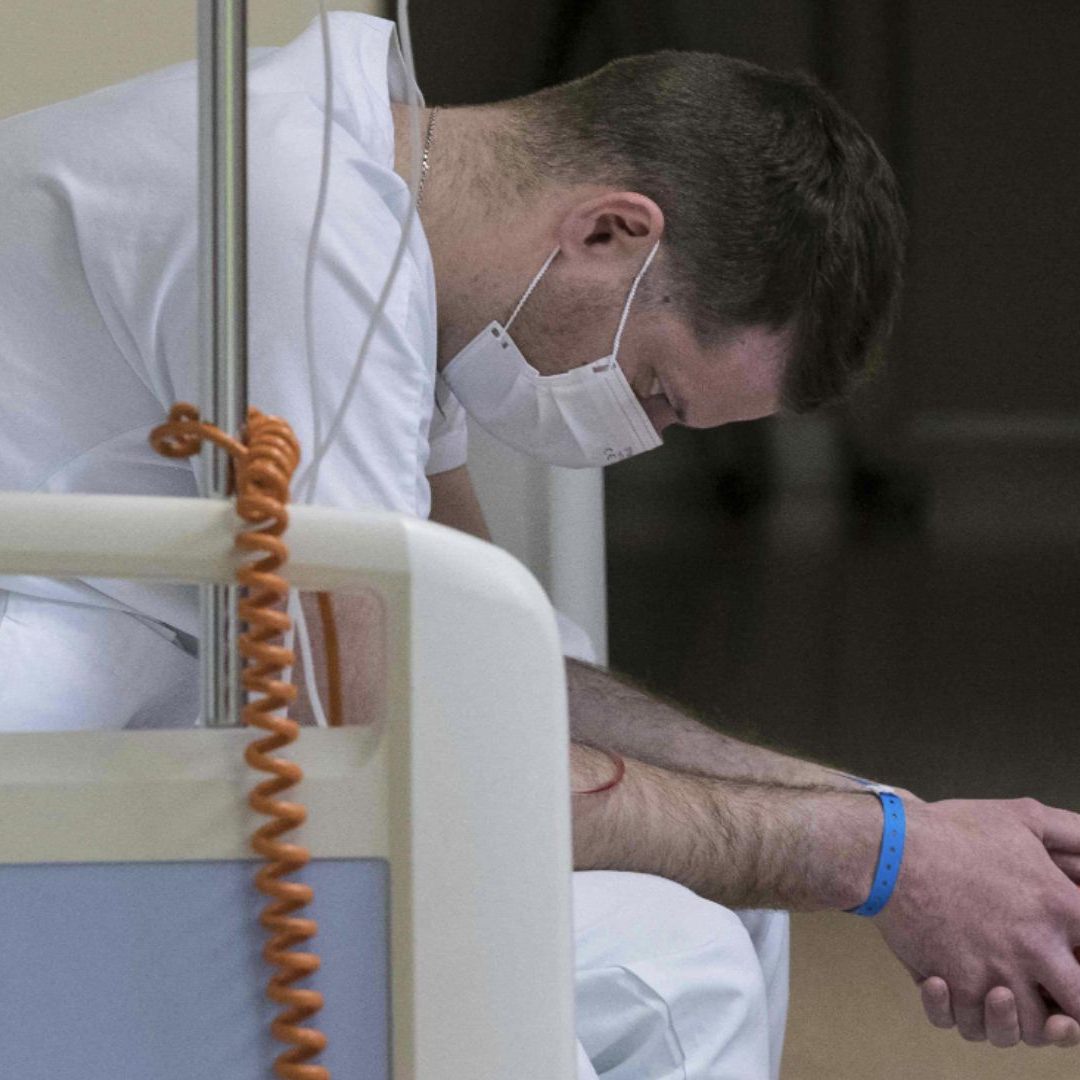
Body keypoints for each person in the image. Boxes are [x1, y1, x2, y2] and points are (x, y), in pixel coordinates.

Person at [1, 11, 1078, 1077]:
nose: (644, 436)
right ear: (610, 230)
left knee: (735, 902)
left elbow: (495, 670)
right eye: (659, 393)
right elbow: (414, 754)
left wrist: (887, 821)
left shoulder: (395, 251)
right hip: (59, 704)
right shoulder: (303, 227)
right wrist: (879, 861)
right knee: (676, 971)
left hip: (133, 685)